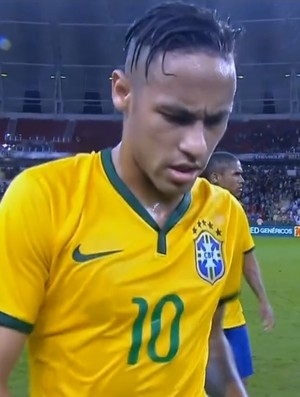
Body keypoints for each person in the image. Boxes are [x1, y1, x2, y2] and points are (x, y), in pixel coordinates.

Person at [0, 3, 248, 397]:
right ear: (122, 92)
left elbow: (212, 343)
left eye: (216, 120)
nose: (197, 146)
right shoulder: (44, 198)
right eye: (174, 116)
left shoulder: (224, 214)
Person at [202, 151, 275, 385]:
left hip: (233, 319)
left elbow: (248, 261)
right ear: (215, 177)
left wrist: (263, 300)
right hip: (198, 320)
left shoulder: (236, 210)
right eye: (236, 174)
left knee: (237, 385)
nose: (242, 180)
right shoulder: (188, 207)